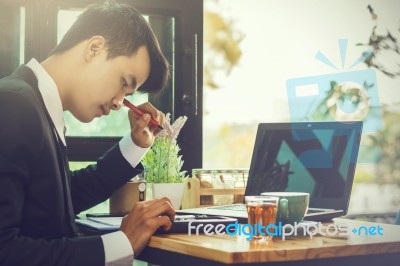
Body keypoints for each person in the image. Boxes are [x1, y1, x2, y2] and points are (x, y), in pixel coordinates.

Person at [0, 1, 175, 265]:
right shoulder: (14, 104)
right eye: (123, 84)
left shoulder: (35, 105)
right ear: (95, 48)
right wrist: (121, 243)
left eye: (127, 95)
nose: (119, 103)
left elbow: (63, 198)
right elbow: (5, 251)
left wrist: (135, 145)